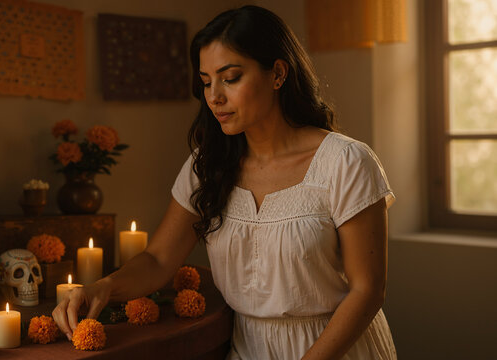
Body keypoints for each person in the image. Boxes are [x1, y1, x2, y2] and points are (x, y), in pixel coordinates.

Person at [52, 5, 397, 359]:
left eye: (230, 78)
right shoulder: (208, 165)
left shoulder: (346, 162)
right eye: (206, 82)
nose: (214, 96)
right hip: (248, 349)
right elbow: (158, 260)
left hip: (336, 350)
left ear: (277, 73)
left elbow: (367, 290)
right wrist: (102, 288)